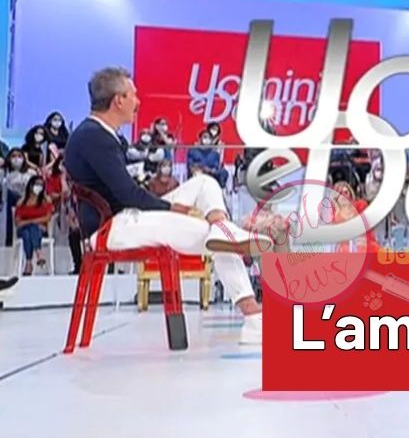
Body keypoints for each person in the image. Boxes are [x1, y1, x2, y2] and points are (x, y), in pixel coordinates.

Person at [64, 67, 271, 345]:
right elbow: (127, 193)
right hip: (113, 227)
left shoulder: (103, 135)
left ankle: (224, 230)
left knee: (205, 184)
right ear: (119, 100)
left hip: (130, 215)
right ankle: (253, 315)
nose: (138, 101)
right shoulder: (94, 137)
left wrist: (167, 206)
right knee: (212, 237)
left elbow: (129, 192)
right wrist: (170, 208)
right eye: (133, 95)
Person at [15, 175, 54, 275]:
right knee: (30, 229)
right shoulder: (22, 202)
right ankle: (38, 253)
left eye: (41, 185)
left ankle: (28, 264)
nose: (39, 187)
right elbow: (18, 222)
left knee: (28, 232)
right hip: (24, 229)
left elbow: (47, 218)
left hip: (40, 230)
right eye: (37, 184)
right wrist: (33, 222)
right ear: (31, 185)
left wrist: (30, 222)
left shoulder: (46, 201)